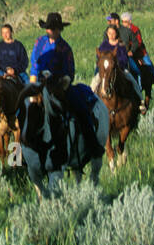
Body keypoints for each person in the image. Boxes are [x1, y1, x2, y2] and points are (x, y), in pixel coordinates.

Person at [29, 12, 103, 158]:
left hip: (59, 85)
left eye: (52, 28)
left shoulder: (65, 48)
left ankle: (92, 144)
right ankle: (24, 155)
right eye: (48, 28)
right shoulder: (39, 43)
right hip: (39, 83)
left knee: (80, 107)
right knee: (24, 111)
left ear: (59, 30)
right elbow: (34, 64)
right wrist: (32, 85)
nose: (49, 31)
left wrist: (62, 82)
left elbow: (70, 72)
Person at [121, 10, 154, 98]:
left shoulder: (135, 29)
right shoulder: (122, 31)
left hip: (140, 53)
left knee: (150, 67)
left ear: (130, 21)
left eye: (125, 22)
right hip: (128, 55)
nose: (123, 23)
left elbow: (139, 42)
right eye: (122, 21)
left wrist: (131, 50)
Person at [93, 24, 142, 99]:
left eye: (113, 33)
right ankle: (90, 99)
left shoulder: (121, 45)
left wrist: (117, 63)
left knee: (132, 80)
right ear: (107, 34)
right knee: (95, 81)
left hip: (119, 69)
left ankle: (140, 100)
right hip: (105, 70)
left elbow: (125, 58)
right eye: (109, 33)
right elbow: (99, 56)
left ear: (116, 34)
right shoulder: (104, 45)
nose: (111, 35)